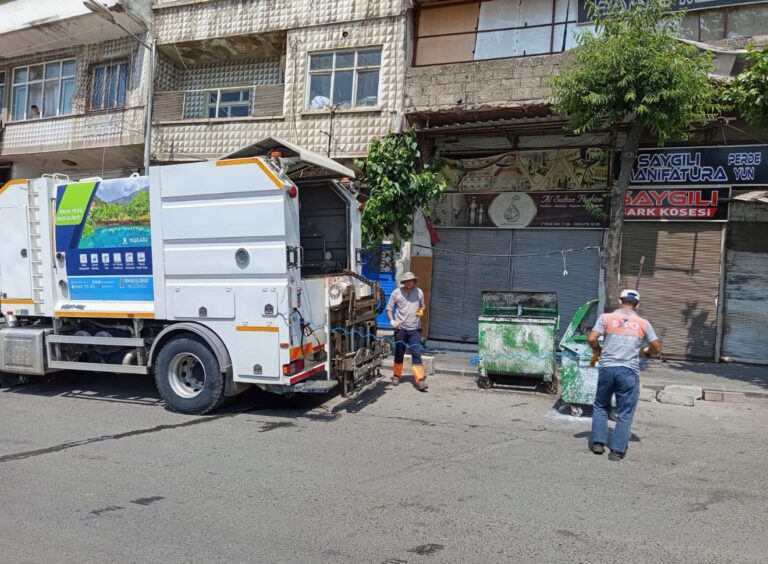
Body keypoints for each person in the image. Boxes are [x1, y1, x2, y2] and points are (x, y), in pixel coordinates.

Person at [587, 289, 661, 461]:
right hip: (628, 371)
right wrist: (646, 352)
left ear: (620, 302)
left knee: (600, 406)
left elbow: (591, 339)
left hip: (607, 369)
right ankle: (617, 451)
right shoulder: (643, 323)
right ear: (638, 305)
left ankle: (598, 443)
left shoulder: (606, 318)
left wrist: (598, 350)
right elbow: (657, 347)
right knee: (625, 412)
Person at [386, 272, 428, 392]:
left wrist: (421, 311)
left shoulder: (419, 292)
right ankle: (396, 375)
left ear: (414, 281)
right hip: (400, 329)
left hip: (415, 329)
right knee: (399, 352)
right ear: (403, 282)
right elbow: (389, 309)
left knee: (416, 352)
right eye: (406, 281)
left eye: (411, 280)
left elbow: (423, 306)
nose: (409, 282)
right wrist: (392, 322)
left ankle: (420, 380)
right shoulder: (396, 293)